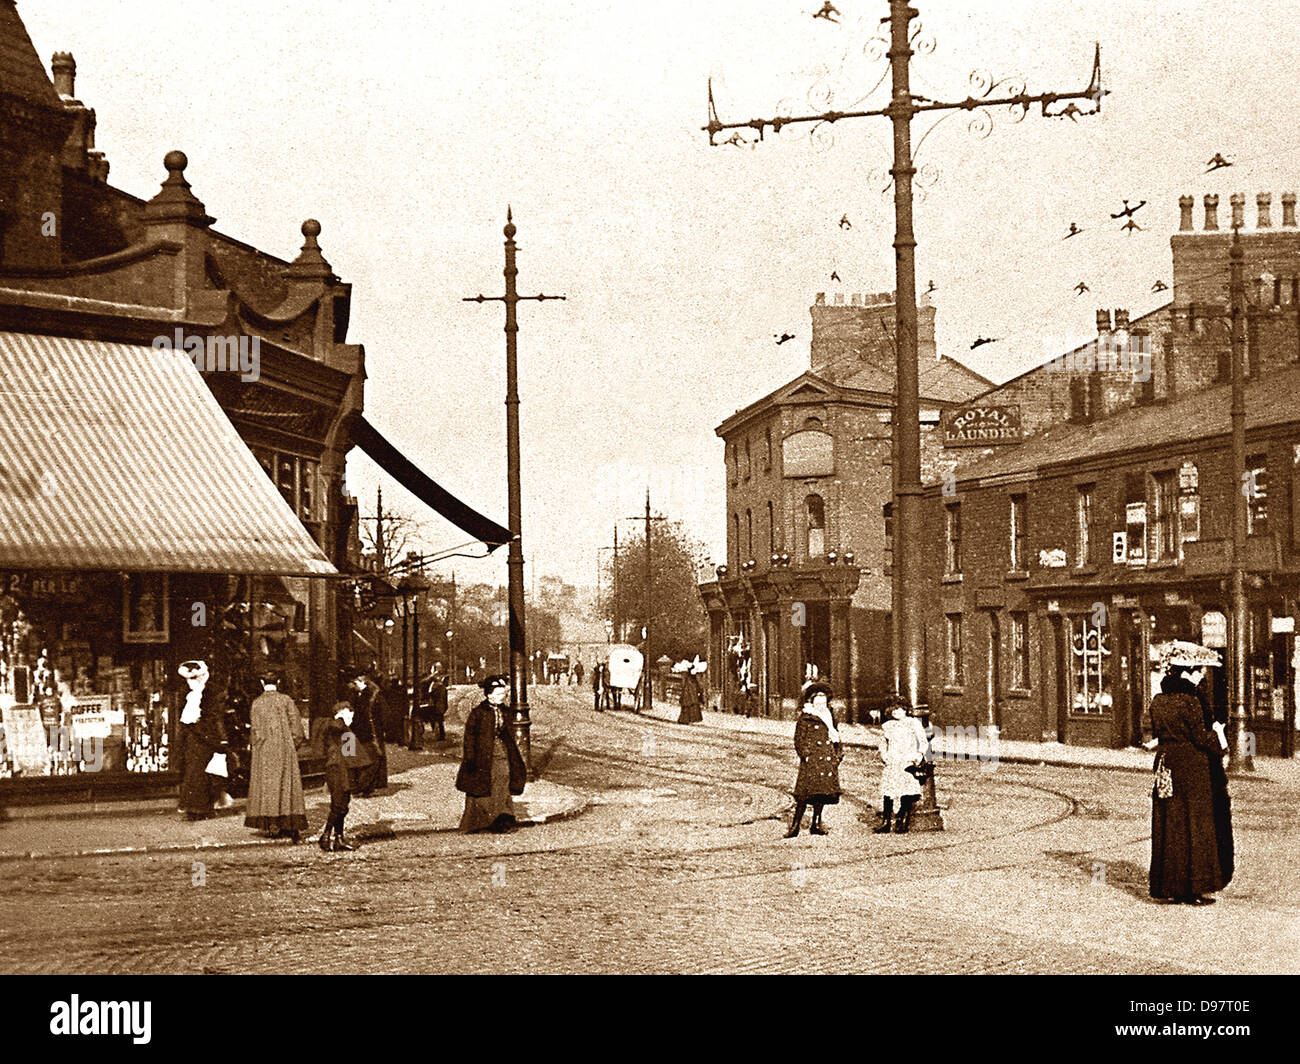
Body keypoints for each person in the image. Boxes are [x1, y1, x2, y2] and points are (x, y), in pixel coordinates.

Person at [1148, 662, 1233, 904]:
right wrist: (1219, 739)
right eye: (1198, 673)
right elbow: (1199, 737)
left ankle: (1170, 885)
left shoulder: (1158, 700)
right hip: (1192, 766)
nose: (1200, 678)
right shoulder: (1190, 701)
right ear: (1187, 673)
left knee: (1170, 822)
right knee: (1196, 823)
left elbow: (1154, 731)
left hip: (1166, 763)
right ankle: (1194, 886)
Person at [456, 675, 527, 833]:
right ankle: (483, 821)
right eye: (501, 694)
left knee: (503, 780)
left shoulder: (505, 711)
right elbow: (469, 737)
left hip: (501, 752)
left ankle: (501, 820)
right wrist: (469, 757)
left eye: (504, 694)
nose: (504, 697)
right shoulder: (478, 713)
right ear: (489, 695)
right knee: (484, 786)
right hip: (482, 756)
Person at [244, 673, 308, 842]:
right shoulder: (286, 700)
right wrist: (293, 744)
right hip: (284, 747)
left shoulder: (257, 703)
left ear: (261, 682)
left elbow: (255, 731)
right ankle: (290, 824)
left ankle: (272, 824)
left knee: (267, 786)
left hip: (264, 750)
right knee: (287, 785)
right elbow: (296, 727)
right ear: (278, 682)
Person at [786, 681, 842, 837]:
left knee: (822, 793)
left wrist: (838, 755)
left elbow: (837, 737)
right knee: (804, 794)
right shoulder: (806, 718)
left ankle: (816, 823)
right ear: (811, 701)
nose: (821, 703)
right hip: (812, 760)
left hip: (827, 758)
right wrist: (806, 755)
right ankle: (795, 826)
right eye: (817, 700)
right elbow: (799, 739)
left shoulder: (830, 717)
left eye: (823, 700)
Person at [175, 660, 229, 821]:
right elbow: (212, 717)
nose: (191, 682)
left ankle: (198, 807)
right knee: (199, 774)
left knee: (199, 774)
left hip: (199, 737)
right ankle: (199, 808)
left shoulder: (200, 693)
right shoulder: (199, 693)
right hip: (201, 737)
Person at [876, 697, 926, 833]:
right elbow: (882, 743)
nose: (895, 712)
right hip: (892, 760)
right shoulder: (888, 725)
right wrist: (884, 755)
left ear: (905, 710)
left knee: (906, 791)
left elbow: (923, 741)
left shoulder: (913, 723)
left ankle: (902, 821)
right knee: (889, 791)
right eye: (892, 710)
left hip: (906, 760)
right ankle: (886, 822)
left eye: (899, 709)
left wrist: (918, 756)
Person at [318, 701, 357, 852]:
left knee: (342, 804)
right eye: (350, 713)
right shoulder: (336, 726)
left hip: (343, 770)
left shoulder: (344, 729)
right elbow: (335, 726)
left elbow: (350, 752)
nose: (352, 717)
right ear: (342, 712)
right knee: (338, 804)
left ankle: (338, 838)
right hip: (337, 769)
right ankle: (326, 836)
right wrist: (341, 718)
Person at [347, 668, 386, 795]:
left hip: (369, 732)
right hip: (361, 732)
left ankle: (365, 786)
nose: (354, 686)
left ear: (361, 682)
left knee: (372, 759)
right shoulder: (362, 694)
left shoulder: (371, 695)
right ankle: (365, 787)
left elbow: (379, 714)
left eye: (355, 684)